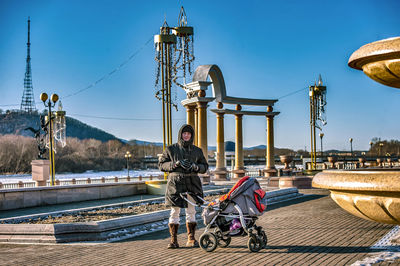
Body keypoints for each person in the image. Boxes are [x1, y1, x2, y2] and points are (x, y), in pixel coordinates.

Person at [158, 124, 208, 249]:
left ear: (191, 136)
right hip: (175, 184)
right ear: (180, 135)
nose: (186, 136)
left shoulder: (197, 151)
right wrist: (174, 164)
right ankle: (173, 240)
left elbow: (205, 167)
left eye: (189, 134)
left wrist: (196, 167)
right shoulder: (171, 149)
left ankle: (191, 238)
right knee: (174, 212)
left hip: (192, 183)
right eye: (184, 134)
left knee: (191, 211)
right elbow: (161, 165)